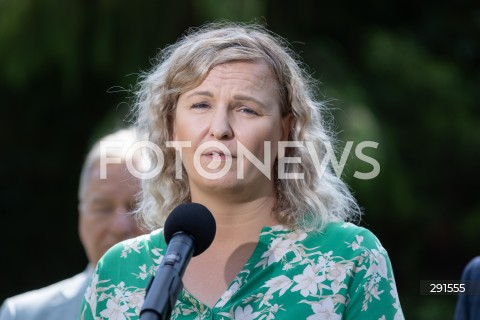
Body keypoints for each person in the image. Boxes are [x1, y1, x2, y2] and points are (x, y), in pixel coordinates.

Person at [80, 22, 404, 319]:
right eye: (201, 105)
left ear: (285, 131)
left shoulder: (349, 256)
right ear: (170, 125)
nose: (219, 129)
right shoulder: (119, 268)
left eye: (247, 109)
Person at [0, 128, 147, 320]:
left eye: (137, 207)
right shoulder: (23, 316)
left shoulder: (196, 312)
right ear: (81, 218)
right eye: (102, 208)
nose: (120, 226)